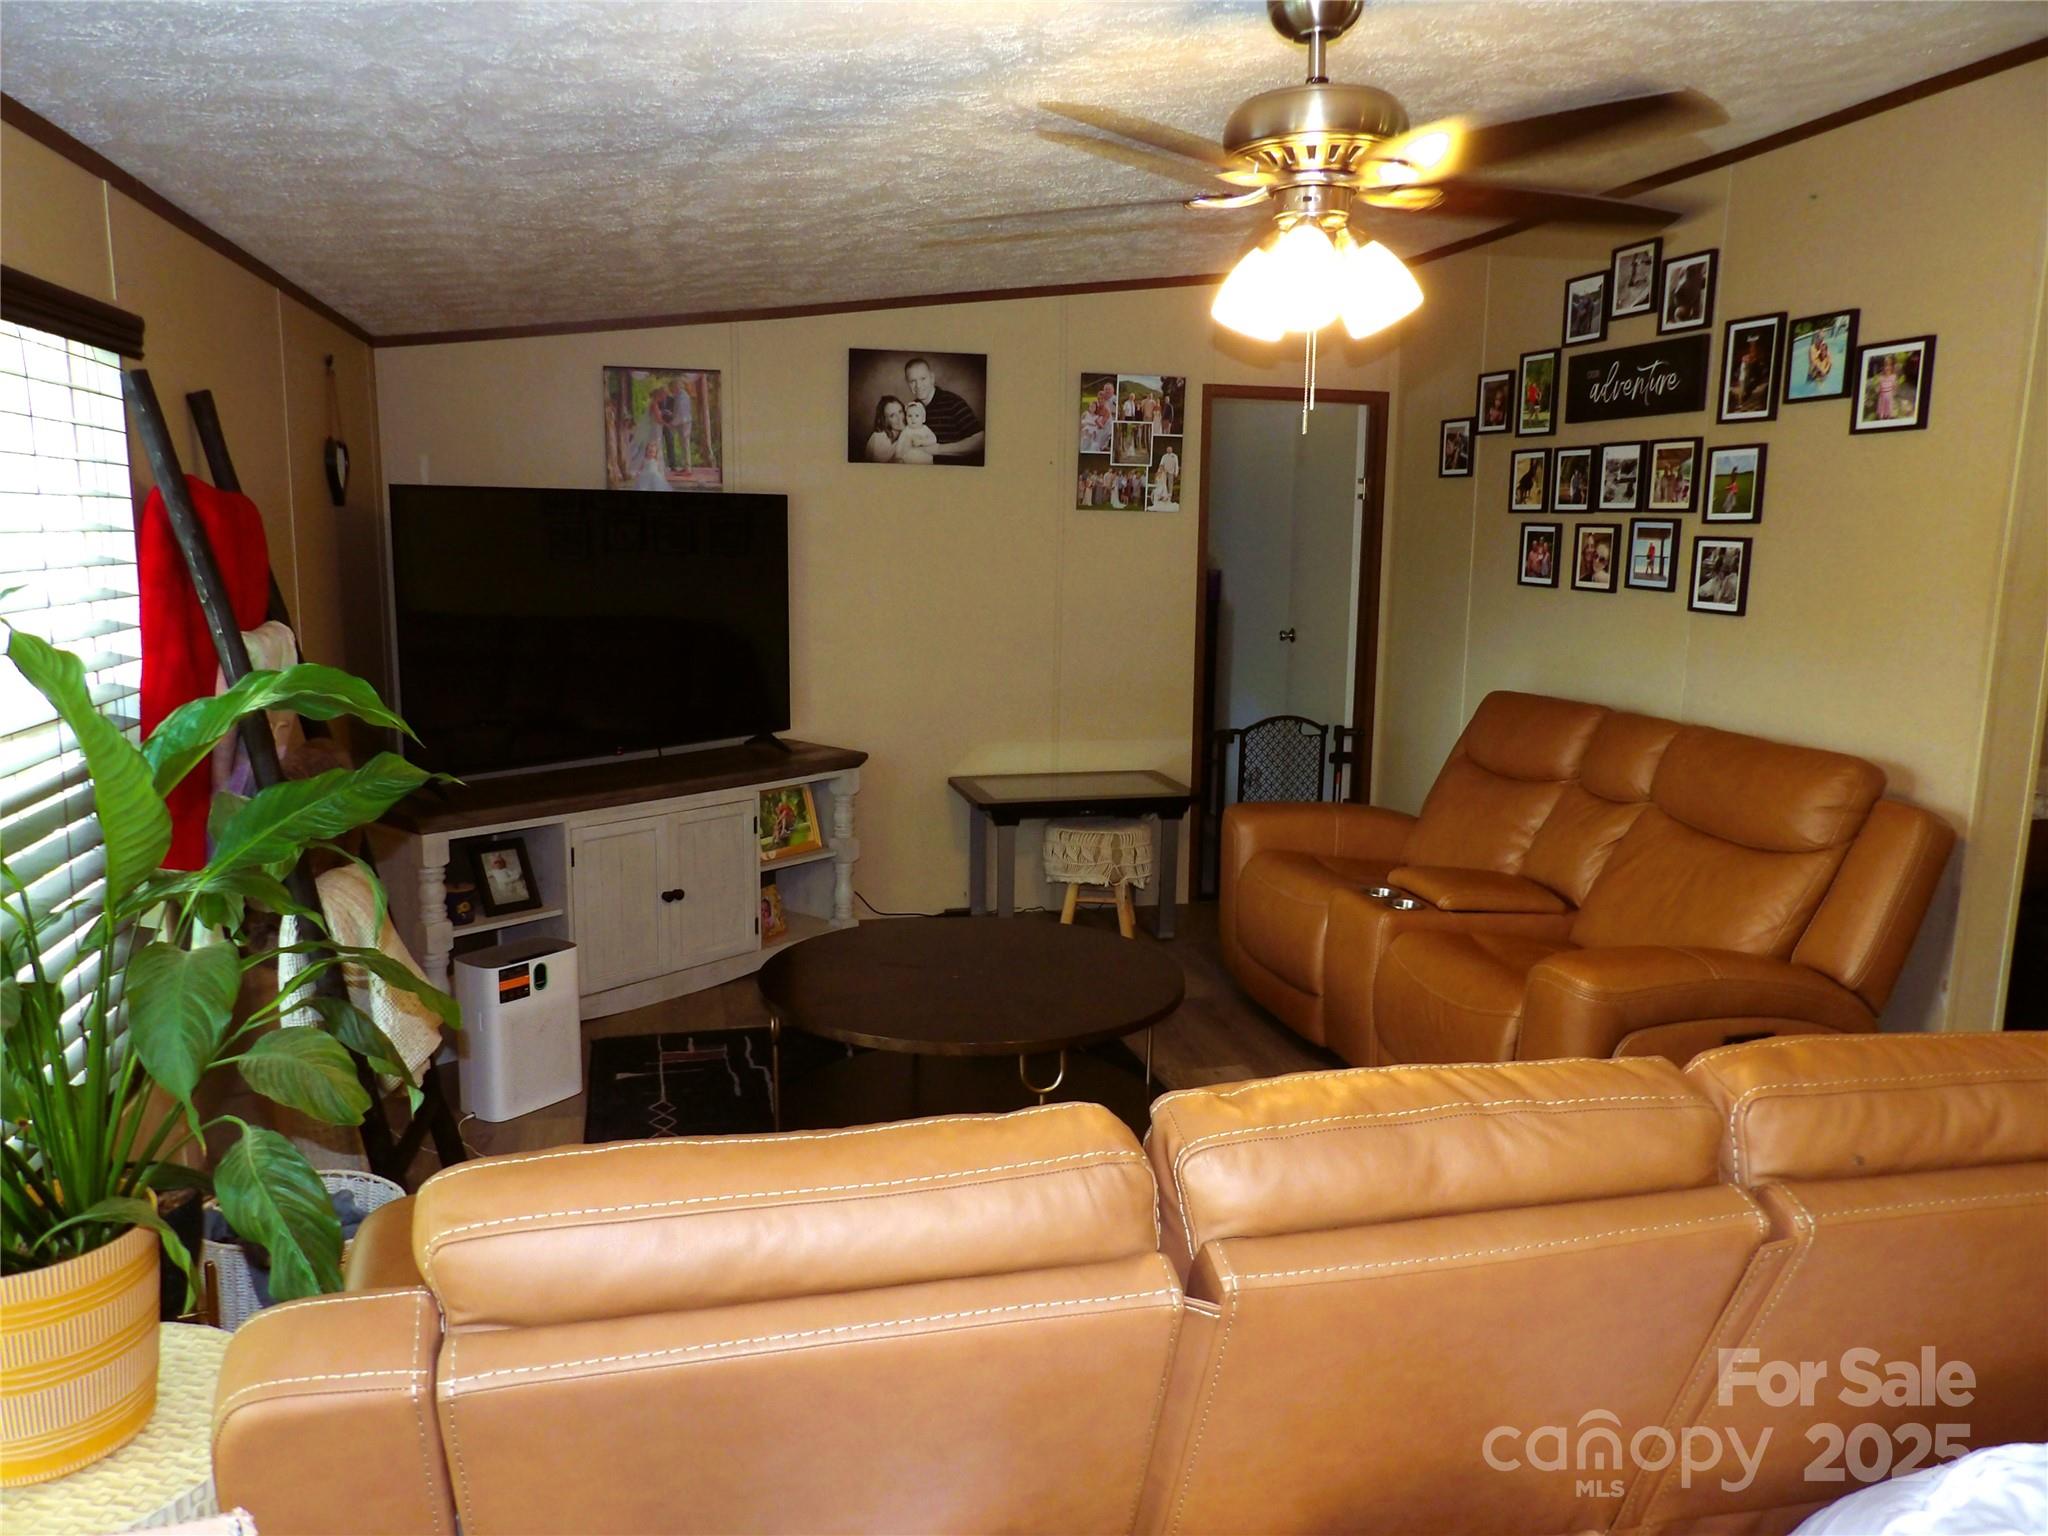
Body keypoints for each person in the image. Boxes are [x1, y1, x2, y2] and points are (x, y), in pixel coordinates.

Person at [903, 357, 984, 462]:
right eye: (912, 381)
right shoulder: (912, 409)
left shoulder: (953, 402)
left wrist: (939, 449)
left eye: (923, 378)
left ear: (932, 378)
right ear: (907, 383)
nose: (918, 385)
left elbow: (980, 440)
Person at [864, 395, 907, 463]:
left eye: (900, 411)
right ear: (885, 420)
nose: (899, 418)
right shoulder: (879, 438)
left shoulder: (905, 432)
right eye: (892, 415)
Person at [1874, 353, 1901, 420]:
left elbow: (1895, 387)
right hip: (1882, 397)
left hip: (1889, 397)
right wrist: (1878, 389)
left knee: (1888, 410)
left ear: (1892, 367)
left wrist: (1895, 389)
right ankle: (1881, 418)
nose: (1887, 368)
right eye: (1886, 365)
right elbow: (1879, 387)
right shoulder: (1881, 377)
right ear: (1882, 367)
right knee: (1882, 410)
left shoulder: (1893, 377)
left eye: (1890, 365)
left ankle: (1888, 417)